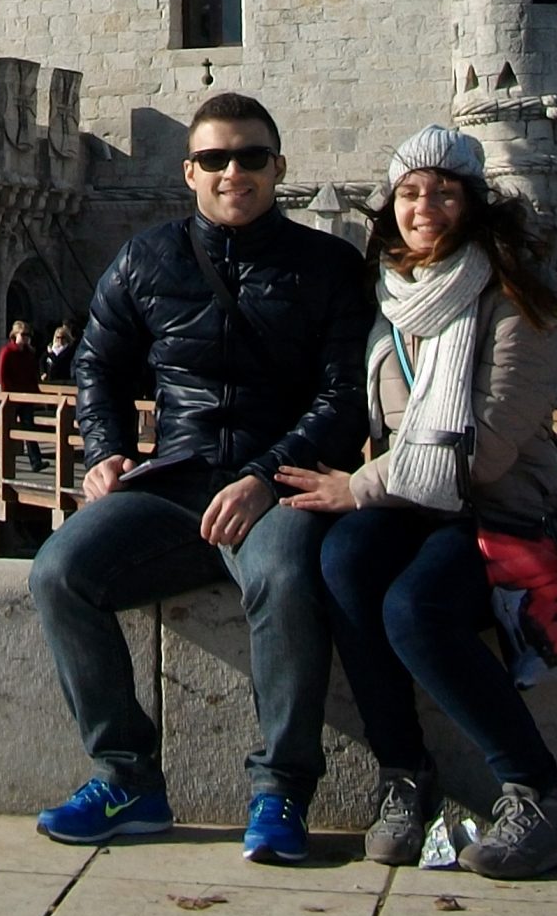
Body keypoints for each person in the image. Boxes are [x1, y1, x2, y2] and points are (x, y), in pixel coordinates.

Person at [29, 93, 371, 859]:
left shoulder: (329, 266)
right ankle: (127, 779)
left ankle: (281, 791)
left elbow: (345, 395)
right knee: (60, 572)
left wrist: (264, 476)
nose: (232, 172)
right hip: (177, 481)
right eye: (215, 158)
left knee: (283, 577)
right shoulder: (146, 259)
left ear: (278, 168)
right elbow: (97, 363)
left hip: (280, 484)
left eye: (250, 157)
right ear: (189, 172)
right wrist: (106, 450)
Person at [278, 123, 557, 880]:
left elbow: (483, 451)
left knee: (414, 609)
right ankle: (404, 775)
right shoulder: (389, 297)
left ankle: (541, 792)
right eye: (410, 192)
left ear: (474, 202)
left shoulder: (518, 301)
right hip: (416, 506)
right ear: (389, 205)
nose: (424, 207)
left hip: (500, 510)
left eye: (444, 192)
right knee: (343, 562)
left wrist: (357, 486)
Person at [0, 317, 47, 472]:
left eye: (28, 335)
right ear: (15, 334)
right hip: (12, 396)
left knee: (29, 427)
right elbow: (3, 375)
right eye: (23, 334)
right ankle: (5, 462)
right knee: (8, 429)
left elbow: (33, 376)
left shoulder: (29, 353)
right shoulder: (7, 352)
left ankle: (36, 461)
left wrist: (37, 395)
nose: (26, 338)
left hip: (26, 396)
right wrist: (7, 394)